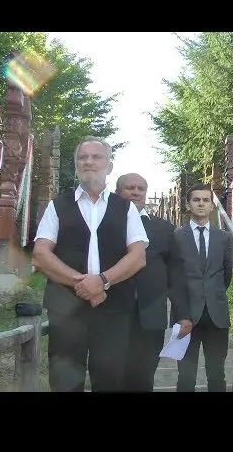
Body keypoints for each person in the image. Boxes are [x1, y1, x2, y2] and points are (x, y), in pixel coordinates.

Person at [32, 136, 149, 392]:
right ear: (76, 165)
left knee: (110, 378)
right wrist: (85, 284)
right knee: (64, 380)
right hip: (66, 310)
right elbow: (40, 255)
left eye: (96, 157)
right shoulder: (58, 206)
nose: (88, 162)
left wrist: (103, 281)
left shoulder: (126, 208)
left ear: (109, 165)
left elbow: (138, 256)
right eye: (82, 158)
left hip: (113, 310)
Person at [168, 183, 233, 392]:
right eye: (196, 200)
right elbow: (173, 278)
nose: (201, 204)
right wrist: (181, 312)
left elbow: (227, 273)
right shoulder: (176, 236)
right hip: (185, 315)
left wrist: (212, 295)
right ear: (188, 204)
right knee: (186, 374)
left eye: (206, 200)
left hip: (216, 314)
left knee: (217, 373)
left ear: (212, 206)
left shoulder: (224, 238)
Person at [116, 173, 175, 392]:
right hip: (113, 314)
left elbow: (174, 274)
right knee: (113, 376)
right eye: (129, 188)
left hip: (151, 316)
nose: (136, 192)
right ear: (117, 192)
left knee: (144, 377)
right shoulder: (104, 225)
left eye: (141, 188)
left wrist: (182, 312)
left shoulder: (165, 229)